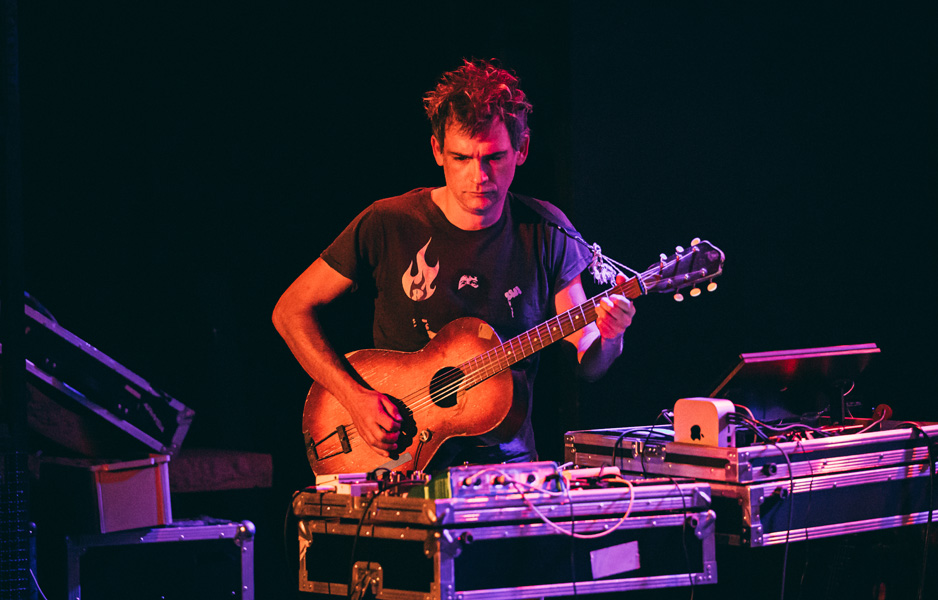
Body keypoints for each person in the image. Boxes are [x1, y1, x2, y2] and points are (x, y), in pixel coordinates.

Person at [273, 58, 635, 471]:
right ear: (437, 151)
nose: (479, 176)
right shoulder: (388, 222)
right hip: (398, 465)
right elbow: (289, 311)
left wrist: (611, 336)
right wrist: (354, 398)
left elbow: (588, 360)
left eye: (494, 157)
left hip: (507, 474)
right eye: (461, 158)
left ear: (522, 150)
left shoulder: (547, 231)